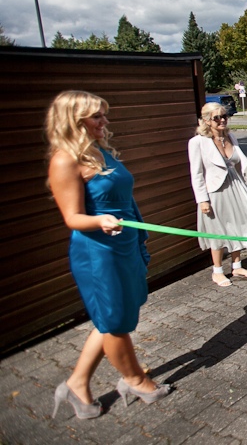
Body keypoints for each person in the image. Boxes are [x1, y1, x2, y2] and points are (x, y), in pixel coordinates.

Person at [45, 91, 171, 420]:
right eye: (97, 116)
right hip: (97, 252)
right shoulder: (64, 159)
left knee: (113, 317)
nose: (105, 121)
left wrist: (138, 235)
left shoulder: (101, 152)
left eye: (104, 114)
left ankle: (76, 383)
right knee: (114, 322)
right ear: (75, 120)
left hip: (123, 243)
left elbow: (124, 199)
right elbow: (72, 217)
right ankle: (134, 380)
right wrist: (100, 220)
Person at [188, 103, 247, 286]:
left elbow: (237, 163)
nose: (222, 120)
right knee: (217, 231)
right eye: (216, 118)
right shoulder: (197, 142)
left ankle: (237, 265)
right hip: (215, 192)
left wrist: (243, 184)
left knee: (238, 226)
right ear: (206, 120)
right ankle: (217, 271)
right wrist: (202, 200)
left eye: (224, 116)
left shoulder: (230, 136)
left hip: (236, 187)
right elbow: (196, 174)